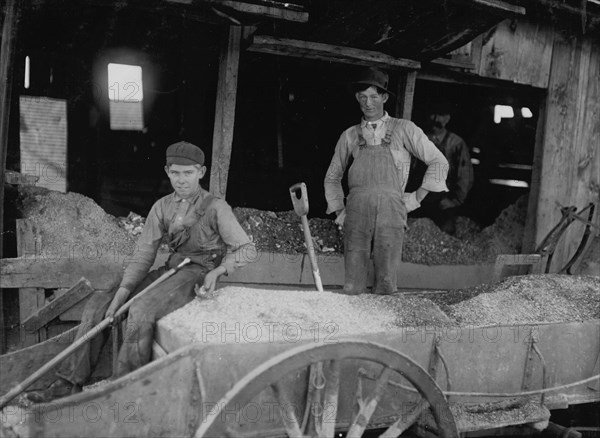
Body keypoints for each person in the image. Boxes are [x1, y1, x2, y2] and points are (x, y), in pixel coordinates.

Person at [29, 141, 256, 402]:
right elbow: (144, 255)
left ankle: (124, 389)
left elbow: (247, 249)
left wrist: (219, 271)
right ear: (167, 171)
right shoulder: (162, 207)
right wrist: (121, 293)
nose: (182, 180)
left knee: (141, 310)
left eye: (189, 173)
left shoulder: (216, 207)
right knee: (99, 304)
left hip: (197, 271)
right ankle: (68, 384)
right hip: (172, 267)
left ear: (201, 172)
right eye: (176, 173)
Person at [324, 67, 449, 295]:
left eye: (373, 97)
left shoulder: (404, 129)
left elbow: (439, 162)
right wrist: (339, 209)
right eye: (362, 97)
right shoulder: (350, 135)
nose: (368, 103)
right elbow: (332, 177)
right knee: (352, 284)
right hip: (357, 211)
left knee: (386, 282)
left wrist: (416, 198)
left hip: (392, 210)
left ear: (384, 97)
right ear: (357, 98)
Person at [420, 102, 474, 235]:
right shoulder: (419, 140)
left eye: (441, 115)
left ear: (448, 118)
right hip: (420, 201)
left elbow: (465, 176)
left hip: (444, 204)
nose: (436, 119)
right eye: (433, 114)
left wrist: (455, 201)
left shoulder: (456, 143)